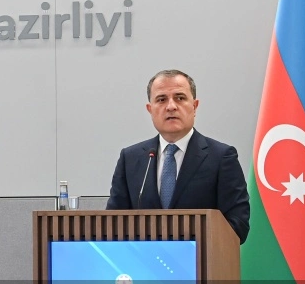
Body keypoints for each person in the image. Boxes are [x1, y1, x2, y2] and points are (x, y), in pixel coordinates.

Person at [106, 69, 250, 243]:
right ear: (150, 109)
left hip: (201, 265)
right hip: (143, 265)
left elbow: (238, 224)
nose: (171, 106)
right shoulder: (130, 159)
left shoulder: (221, 157)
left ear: (195, 106)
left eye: (180, 98)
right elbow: (113, 224)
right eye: (161, 99)